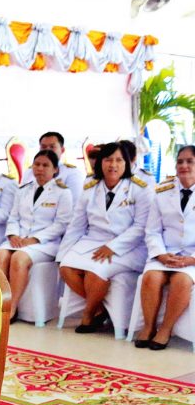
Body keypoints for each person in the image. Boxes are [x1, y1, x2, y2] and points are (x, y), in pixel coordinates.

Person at [57, 142, 151, 333]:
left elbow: (141, 227)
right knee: (66, 267)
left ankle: (88, 315)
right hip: (93, 241)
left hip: (129, 246)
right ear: (101, 162)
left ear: (127, 163)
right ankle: (101, 309)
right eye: (108, 160)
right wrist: (62, 253)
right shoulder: (90, 186)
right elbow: (77, 224)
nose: (113, 165)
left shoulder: (139, 188)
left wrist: (113, 247)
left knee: (96, 271)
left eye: (119, 160)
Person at [0, 149, 74, 320]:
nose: (40, 168)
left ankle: (12, 308)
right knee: (0, 256)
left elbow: (62, 224)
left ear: (55, 169)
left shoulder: (62, 192)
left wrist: (35, 239)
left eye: (45, 165)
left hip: (46, 243)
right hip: (19, 239)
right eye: (37, 164)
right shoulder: (23, 190)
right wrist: (13, 235)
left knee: (19, 259)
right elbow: (13, 217)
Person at [134, 145, 195, 350]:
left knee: (181, 280)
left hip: (192, 257)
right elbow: (152, 230)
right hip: (165, 252)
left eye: (190, 161)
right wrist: (160, 255)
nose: (184, 166)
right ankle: (149, 327)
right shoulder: (163, 191)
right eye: (180, 161)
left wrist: (191, 259)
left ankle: (165, 329)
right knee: (151, 278)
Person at [20, 131, 84, 200]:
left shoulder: (72, 173)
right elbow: (21, 198)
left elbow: (74, 202)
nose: (47, 150)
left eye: (52, 147)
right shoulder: (29, 171)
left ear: (62, 150)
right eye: (43, 147)